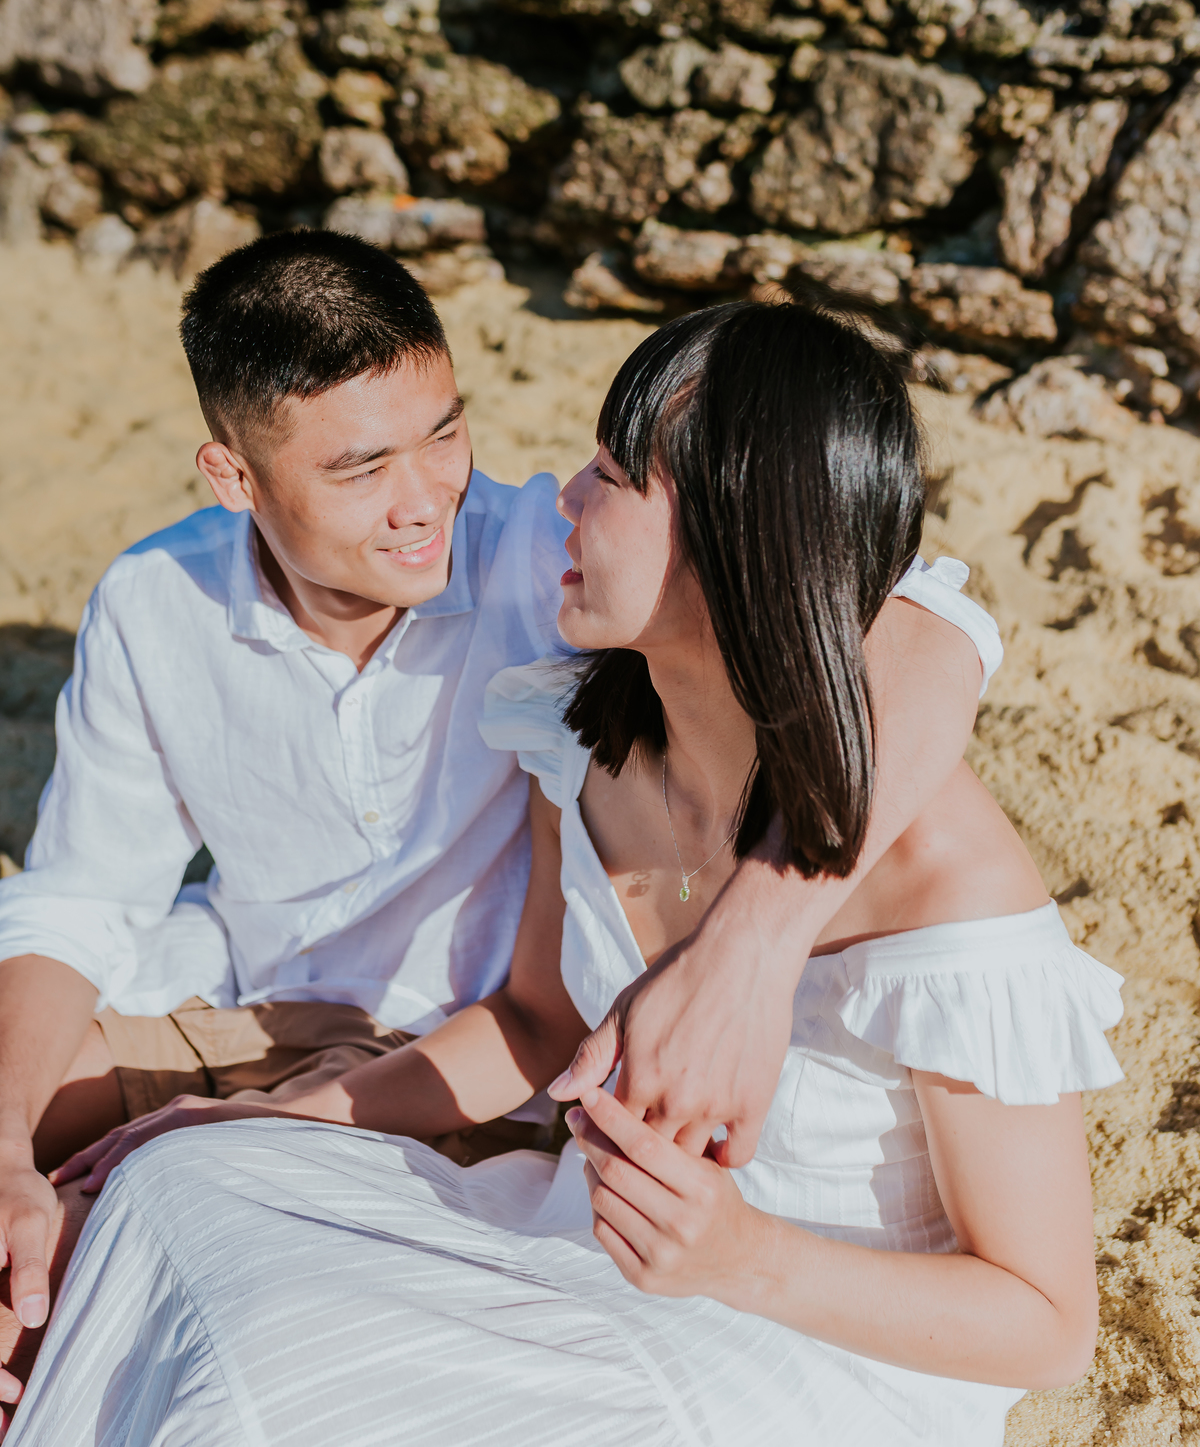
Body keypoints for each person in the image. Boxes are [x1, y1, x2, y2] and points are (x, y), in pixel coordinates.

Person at [13, 301, 1120, 1446]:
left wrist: (745, 1256)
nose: (562, 499)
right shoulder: (587, 744)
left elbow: (1048, 1324)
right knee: (179, 1191)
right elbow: (538, 1017)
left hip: (807, 1345)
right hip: (574, 1245)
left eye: (610, 472)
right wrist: (270, 1118)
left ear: (742, 529)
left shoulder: (946, 875)